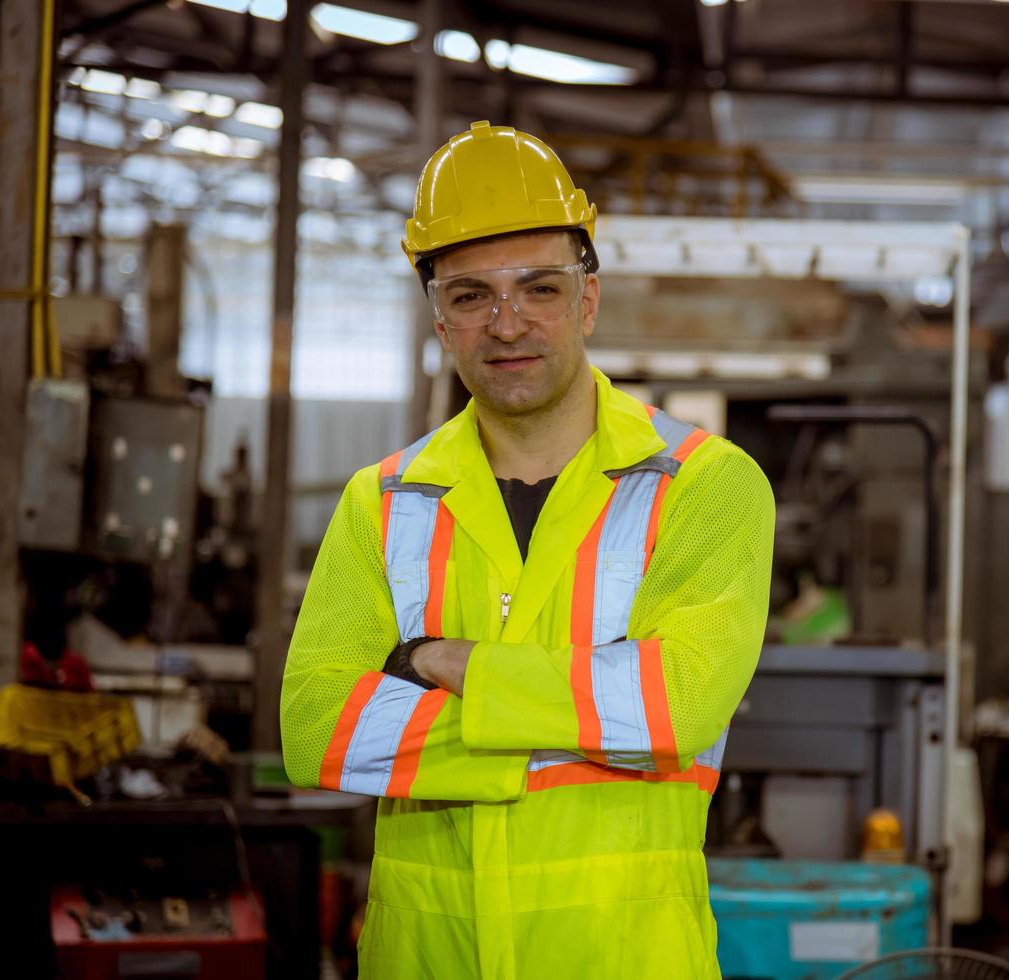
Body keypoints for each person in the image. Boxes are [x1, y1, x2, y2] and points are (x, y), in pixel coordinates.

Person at [279, 121, 774, 978]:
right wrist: (587, 720)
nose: (507, 324)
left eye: (538, 289)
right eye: (471, 296)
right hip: (426, 959)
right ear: (439, 320)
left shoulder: (702, 485)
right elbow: (317, 729)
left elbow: (675, 710)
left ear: (587, 300)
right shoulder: (383, 503)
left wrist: (442, 661)